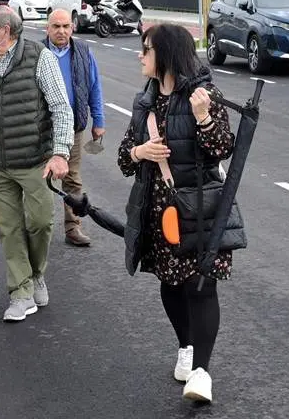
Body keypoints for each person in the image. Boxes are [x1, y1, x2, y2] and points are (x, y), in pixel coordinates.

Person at [117, 24, 235, 403]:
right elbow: (123, 158)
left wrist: (203, 117)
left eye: (146, 49)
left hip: (198, 207)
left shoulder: (204, 95)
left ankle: (202, 372)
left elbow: (222, 150)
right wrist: (141, 153)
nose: (141, 55)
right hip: (158, 208)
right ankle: (186, 346)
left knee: (201, 286)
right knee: (170, 284)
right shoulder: (145, 101)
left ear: (165, 55)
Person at [0, 6, 73, 322]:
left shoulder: (40, 59)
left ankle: (36, 274)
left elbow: (62, 109)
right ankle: (20, 293)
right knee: (9, 229)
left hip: (36, 161)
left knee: (40, 223)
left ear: (5, 31)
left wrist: (60, 153)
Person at [42, 9, 105, 247]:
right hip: (41, 128)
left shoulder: (83, 52)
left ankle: (72, 227)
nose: (61, 31)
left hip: (73, 127)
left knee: (72, 178)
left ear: (73, 27)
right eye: (56, 26)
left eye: (66, 26)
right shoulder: (36, 52)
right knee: (40, 179)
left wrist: (98, 121)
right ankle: (40, 227)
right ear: (47, 29)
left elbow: (94, 87)